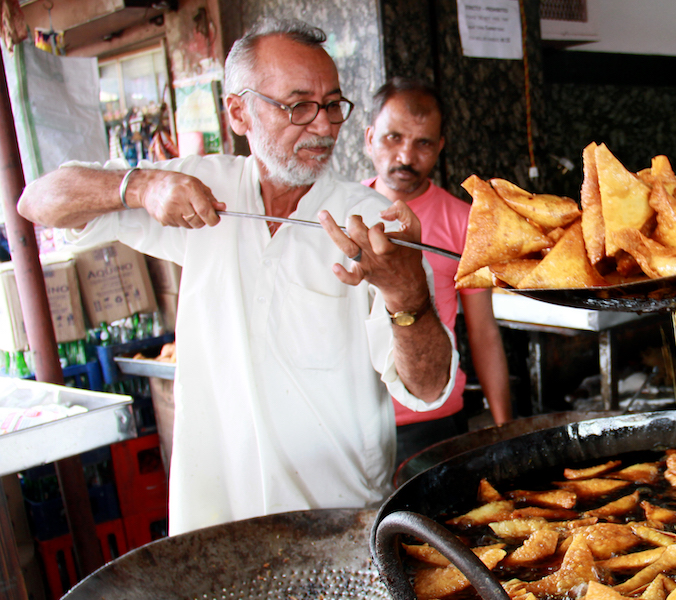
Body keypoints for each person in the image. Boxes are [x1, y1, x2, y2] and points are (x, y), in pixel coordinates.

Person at [17, 19, 457, 536]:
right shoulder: (203, 187)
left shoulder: (370, 220)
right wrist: (141, 186)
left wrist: (407, 294)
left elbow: (428, 389)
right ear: (239, 110)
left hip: (339, 522)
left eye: (333, 105)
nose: (322, 126)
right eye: (297, 106)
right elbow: (38, 201)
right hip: (215, 521)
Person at [362, 78, 512, 464]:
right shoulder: (339, 215)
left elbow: (483, 331)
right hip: (353, 419)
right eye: (393, 138)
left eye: (423, 143)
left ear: (440, 147)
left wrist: (504, 429)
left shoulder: (465, 223)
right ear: (369, 137)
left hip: (432, 421)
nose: (406, 156)